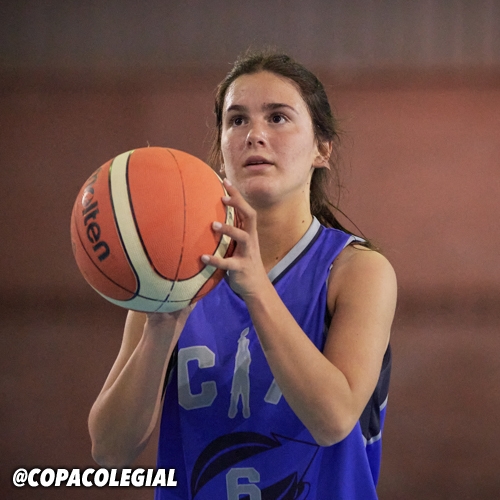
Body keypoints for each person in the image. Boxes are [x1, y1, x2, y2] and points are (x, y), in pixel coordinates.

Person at [88, 50, 397, 499]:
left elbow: (333, 420)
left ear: (322, 149)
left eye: (277, 117)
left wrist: (257, 289)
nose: (255, 134)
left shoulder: (356, 270)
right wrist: (161, 327)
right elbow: (109, 452)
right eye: (237, 120)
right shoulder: (171, 271)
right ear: (221, 151)